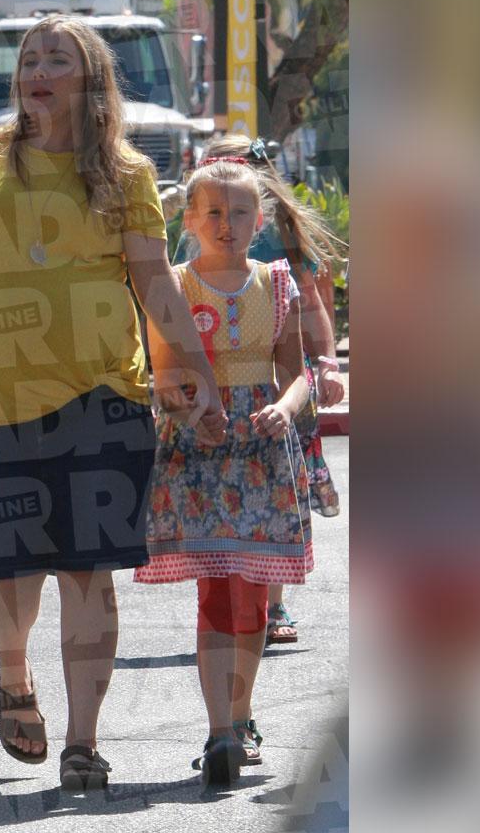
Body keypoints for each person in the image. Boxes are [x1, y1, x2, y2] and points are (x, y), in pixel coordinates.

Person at [0, 15, 222, 792]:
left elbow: (154, 281)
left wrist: (190, 367)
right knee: (9, 575)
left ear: (88, 79)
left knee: (87, 572)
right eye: (29, 58)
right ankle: (13, 676)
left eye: (56, 59)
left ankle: (83, 740)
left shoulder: (126, 173)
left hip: (106, 393)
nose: (37, 67)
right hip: (4, 398)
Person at [134, 156, 314, 786]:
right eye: (212, 212)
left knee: (255, 594)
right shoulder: (174, 287)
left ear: (258, 219)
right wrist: (187, 412)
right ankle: (218, 732)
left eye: (239, 212)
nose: (226, 224)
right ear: (189, 219)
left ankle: (242, 718)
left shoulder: (279, 283)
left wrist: (285, 409)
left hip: (263, 455)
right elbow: (160, 373)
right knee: (216, 590)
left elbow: (296, 373)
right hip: (199, 452)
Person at [202, 135, 347, 645]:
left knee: (282, 496)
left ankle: (274, 606)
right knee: (228, 495)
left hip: (284, 386)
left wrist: (327, 364)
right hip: (225, 385)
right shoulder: (196, 234)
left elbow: (313, 305)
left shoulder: (280, 232)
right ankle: (228, 597)